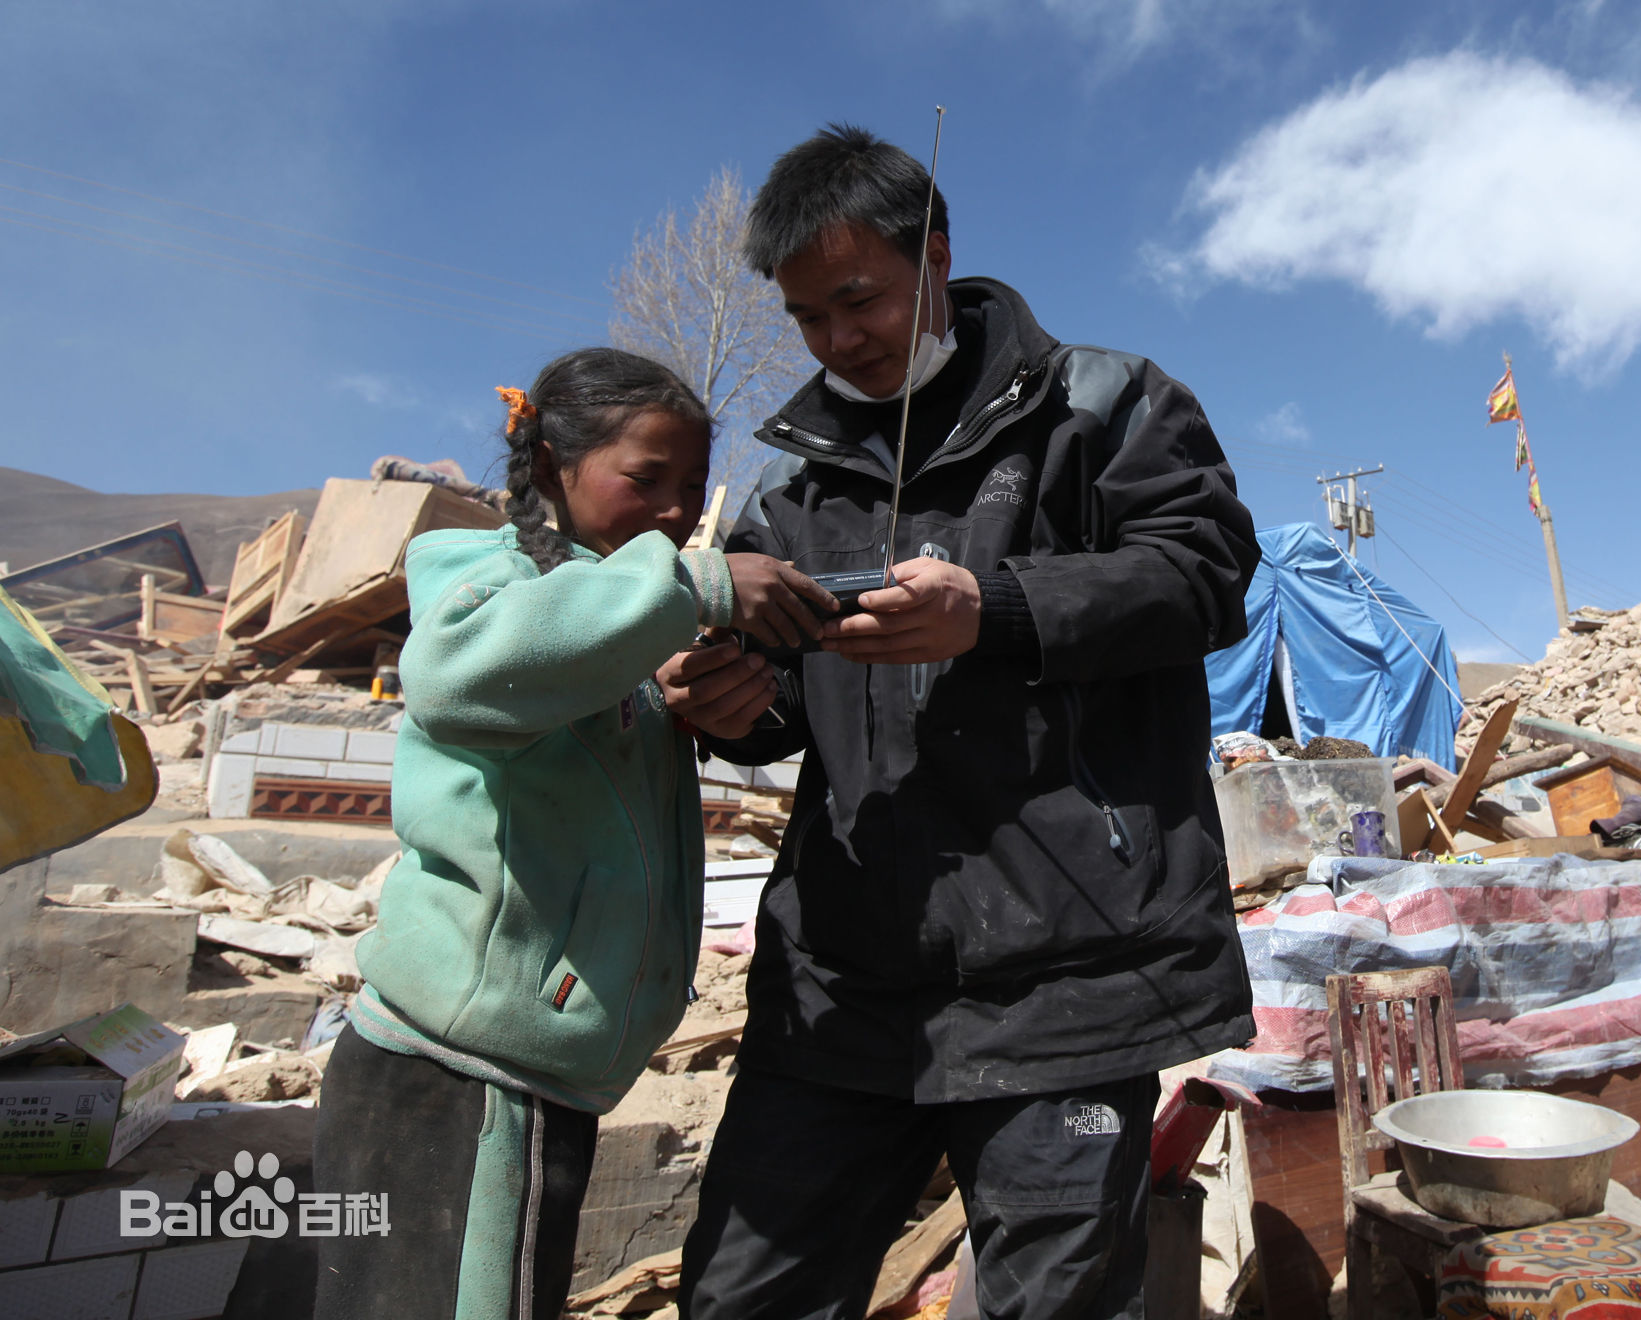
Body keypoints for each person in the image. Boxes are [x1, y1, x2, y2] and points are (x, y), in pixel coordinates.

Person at [663, 124, 1261, 1319]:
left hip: (1071, 977)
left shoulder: (1104, 406)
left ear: (935, 256)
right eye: (808, 319)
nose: (841, 340)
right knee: (742, 1296)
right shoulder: (791, 487)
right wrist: (726, 706)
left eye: (861, 299)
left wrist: (998, 608)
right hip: (843, 987)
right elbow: (784, 708)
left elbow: (1206, 572)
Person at [315, 347, 827, 1320]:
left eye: (691, 487)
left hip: (530, 1077)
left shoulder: (612, 625)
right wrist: (698, 585)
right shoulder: (485, 572)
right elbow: (463, 670)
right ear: (553, 466)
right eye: (647, 479)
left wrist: (681, 693)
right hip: (462, 1080)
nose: (676, 510)